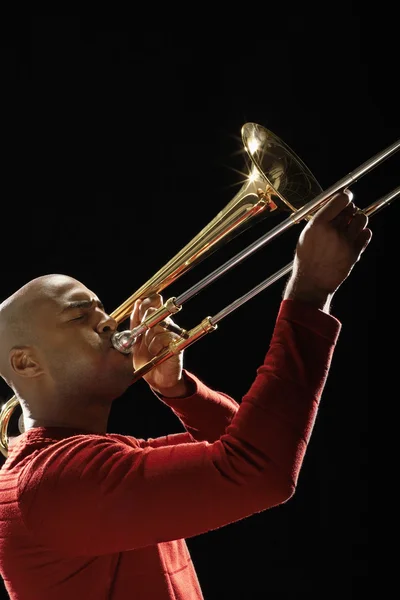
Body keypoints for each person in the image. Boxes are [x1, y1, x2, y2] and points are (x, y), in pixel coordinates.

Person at [0, 191, 371, 600]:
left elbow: (241, 440)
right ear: (26, 364)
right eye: (78, 316)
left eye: (100, 309)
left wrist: (178, 391)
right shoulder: (53, 481)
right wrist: (308, 297)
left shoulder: (86, 456)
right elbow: (260, 470)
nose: (108, 323)